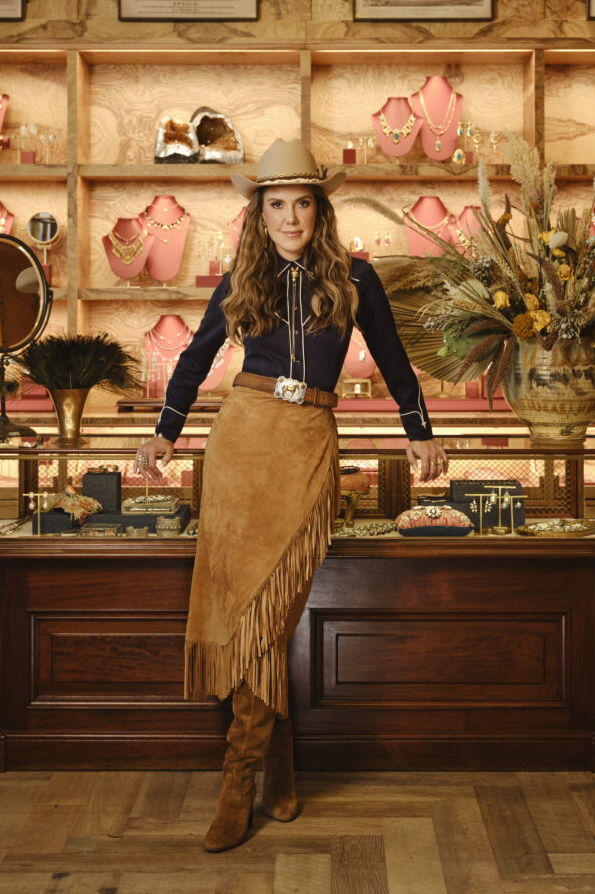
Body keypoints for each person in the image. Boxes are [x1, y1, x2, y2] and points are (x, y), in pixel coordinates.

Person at [134, 138, 447, 852]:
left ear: (319, 208)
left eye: (302, 203)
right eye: (276, 204)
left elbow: (396, 362)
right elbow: (192, 360)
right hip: (241, 440)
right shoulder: (239, 278)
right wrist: (166, 435)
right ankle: (253, 774)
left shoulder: (356, 277)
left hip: (309, 440)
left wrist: (420, 432)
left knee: (270, 610)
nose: (290, 217)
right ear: (259, 212)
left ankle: (253, 769)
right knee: (248, 611)